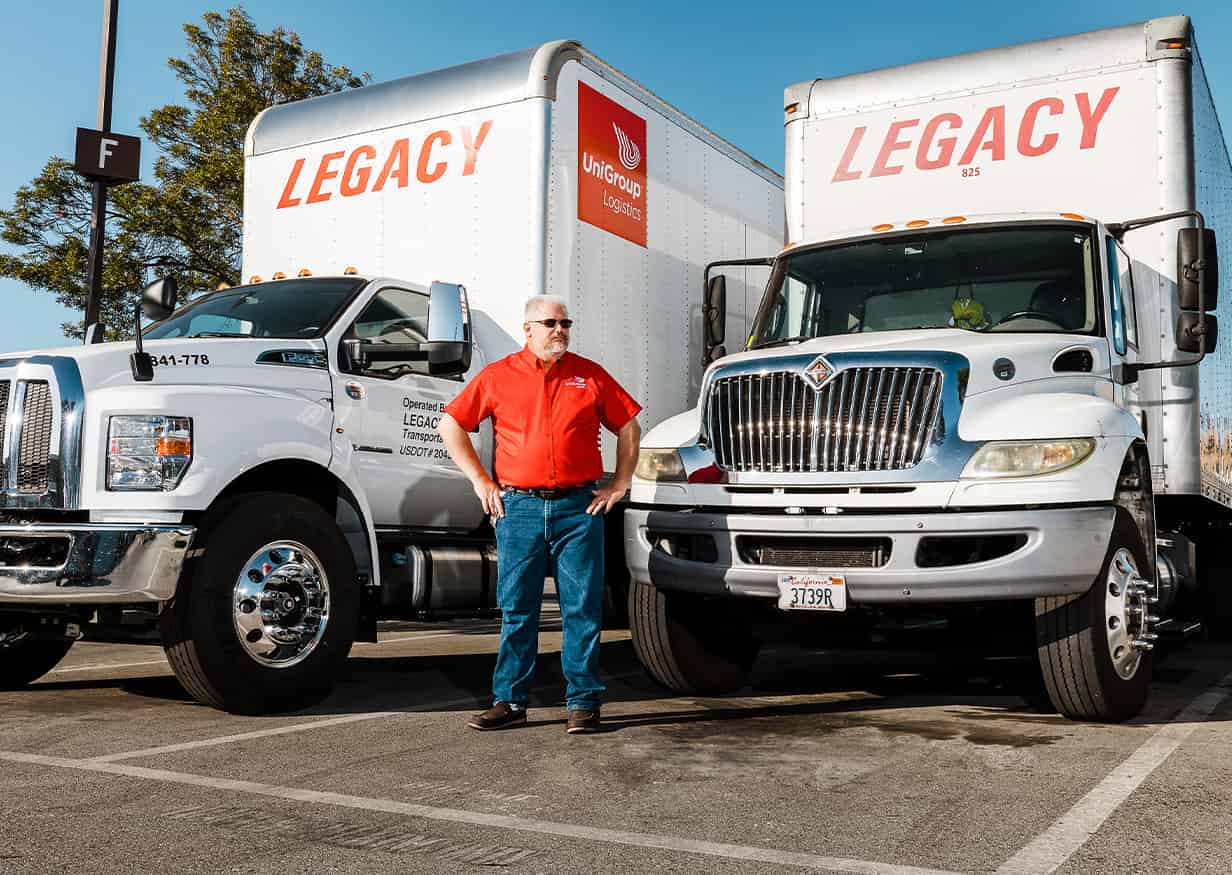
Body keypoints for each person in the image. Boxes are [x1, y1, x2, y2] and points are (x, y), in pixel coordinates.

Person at [438, 294, 642, 735]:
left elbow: (628, 425)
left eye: (566, 323)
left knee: (582, 609)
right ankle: (510, 702)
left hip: (578, 508)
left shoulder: (589, 376)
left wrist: (620, 483)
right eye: (550, 323)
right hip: (520, 508)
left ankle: (584, 703)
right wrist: (480, 480)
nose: (560, 330)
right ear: (528, 328)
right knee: (518, 610)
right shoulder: (497, 377)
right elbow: (451, 424)